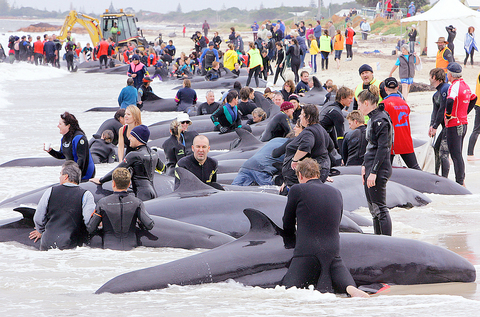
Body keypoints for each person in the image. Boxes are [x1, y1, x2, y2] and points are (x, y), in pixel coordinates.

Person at [281, 158, 369, 298]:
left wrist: (290, 240)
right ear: (317, 174)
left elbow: (287, 222)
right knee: (347, 286)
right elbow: (337, 220)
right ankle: (353, 290)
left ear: (300, 175)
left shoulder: (297, 189)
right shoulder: (336, 192)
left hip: (306, 251)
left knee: (286, 292)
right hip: (333, 252)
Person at [29, 161, 95, 250]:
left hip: (47, 242)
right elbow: (89, 221)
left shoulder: (50, 191)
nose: (59, 177)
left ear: (66, 176)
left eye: (60, 174)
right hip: (71, 244)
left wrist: (42, 231)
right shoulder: (86, 194)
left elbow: (38, 218)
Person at [91, 125, 165, 201]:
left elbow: (117, 170)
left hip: (142, 194)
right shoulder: (154, 153)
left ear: (138, 138)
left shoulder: (134, 155)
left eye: (131, 136)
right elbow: (163, 169)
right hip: (153, 192)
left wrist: (101, 180)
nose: (129, 138)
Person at [87, 167, 154, 250]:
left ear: (113, 183)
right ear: (129, 184)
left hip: (109, 250)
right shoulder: (137, 202)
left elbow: (90, 228)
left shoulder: (102, 203)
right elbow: (149, 224)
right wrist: (138, 221)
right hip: (131, 249)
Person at [358, 85, 394, 236]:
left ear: (366, 103)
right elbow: (370, 147)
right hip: (371, 166)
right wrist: (364, 166)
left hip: (379, 168)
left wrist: (374, 172)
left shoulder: (381, 119)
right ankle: (378, 239)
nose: (358, 107)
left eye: (359, 104)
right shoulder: (373, 118)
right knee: (373, 210)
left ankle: (387, 243)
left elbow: (383, 148)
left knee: (380, 208)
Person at [281, 104, 334, 194]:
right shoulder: (321, 129)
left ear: (308, 117)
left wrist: (295, 160)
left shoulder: (309, 131)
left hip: (306, 175)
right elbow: (330, 146)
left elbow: (306, 146)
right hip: (321, 169)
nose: (299, 116)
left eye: (301, 114)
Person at [445, 63, 477, 186]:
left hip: (454, 124)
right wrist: (465, 112)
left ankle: (459, 182)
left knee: (455, 154)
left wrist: (448, 115)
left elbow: (450, 100)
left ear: (451, 74)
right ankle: (461, 180)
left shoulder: (454, 86)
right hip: (463, 124)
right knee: (457, 153)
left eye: (447, 72)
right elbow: (474, 98)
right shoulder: (465, 85)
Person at [382, 77, 420, 169]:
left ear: (385, 89)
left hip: (391, 143)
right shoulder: (404, 103)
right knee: (415, 168)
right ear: (397, 87)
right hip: (405, 141)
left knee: (385, 170)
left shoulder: (384, 104)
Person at [46, 112, 95, 180]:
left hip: (85, 173)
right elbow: (62, 155)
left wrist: (75, 177)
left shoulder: (79, 138)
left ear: (68, 126)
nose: (58, 126)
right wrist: (50, 151)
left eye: (60, 124)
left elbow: (81, 159)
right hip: (73, 173)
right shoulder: (64, 138)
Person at [428, 68, 451, 176]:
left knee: (444, 153)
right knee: (436, 148)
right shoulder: (435, 95)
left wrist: (436, 126)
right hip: (445, 127)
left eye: (430, 76)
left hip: (452, 126)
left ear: (434, 77)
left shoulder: (445, 89)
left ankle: (444, 179)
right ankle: (437, 175)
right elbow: (435, 112)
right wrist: (431, 126)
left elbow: (443, 109)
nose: (429, 79)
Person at [319, 86, 354, 153]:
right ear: (342, 98)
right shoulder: (337, 113)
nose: (351, 100)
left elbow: (330, 128)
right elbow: (340, 137)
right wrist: (343, 156)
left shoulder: (329, 105)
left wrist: (337, 147)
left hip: (317, 134)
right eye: (350, 98)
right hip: (320, 138)